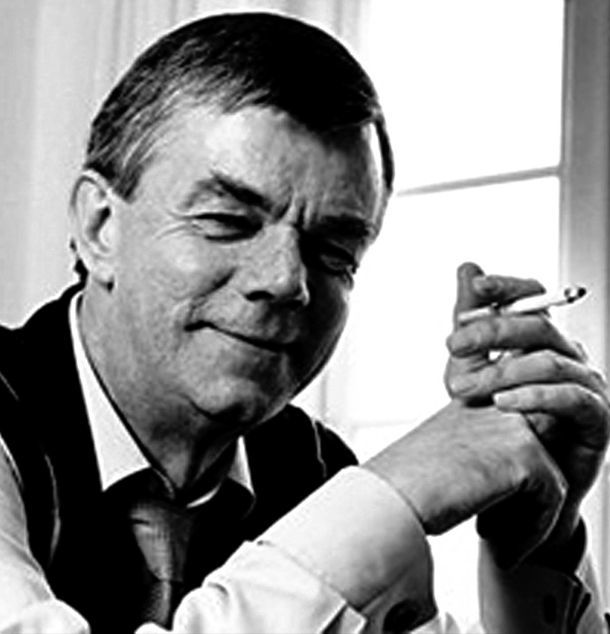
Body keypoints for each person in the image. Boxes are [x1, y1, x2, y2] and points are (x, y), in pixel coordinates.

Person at [0, 11, 608, 634]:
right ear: (100, 227)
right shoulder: (350, 512)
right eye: (228, 221)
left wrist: (542, 535)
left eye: (335, 252)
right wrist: (390, 494)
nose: (287, 280)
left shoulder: (313, 474)